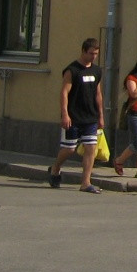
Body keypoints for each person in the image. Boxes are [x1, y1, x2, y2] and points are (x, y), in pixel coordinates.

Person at [48, 38, 105, 193]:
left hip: (90, 117)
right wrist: (65, 114)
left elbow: (98, 94)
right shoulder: (72, 70)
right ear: (83, 51)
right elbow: (64, 92)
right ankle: (55, 168)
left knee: (90, 148)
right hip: (74, 116)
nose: (94, 57)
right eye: (91, 53)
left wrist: (101, 116)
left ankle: (86, 183)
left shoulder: (97, 71)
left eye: (96, 54)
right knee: (70, 149)